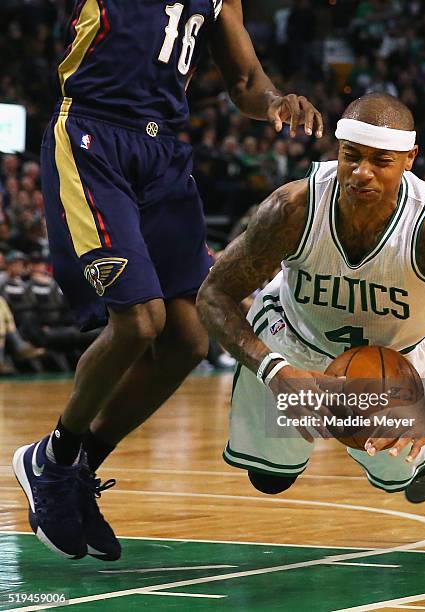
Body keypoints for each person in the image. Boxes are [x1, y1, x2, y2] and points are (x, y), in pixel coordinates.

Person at [13, 0, 323, 562]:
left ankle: (77, 472)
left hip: (162, 156)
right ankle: (52, 459)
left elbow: (247, 79)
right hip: (92, 137)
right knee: (139, 322)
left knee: (187, 338)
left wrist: (275, 100)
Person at [197, 92, 425, 500]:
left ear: (410, 158)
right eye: (352, 156)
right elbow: (213, 294)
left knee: (403, 477)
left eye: (381, 161)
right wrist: (274, 371)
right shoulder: (293, 208)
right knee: (269, 479)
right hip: (295, 339)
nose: (362, 173)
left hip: (397, 355)